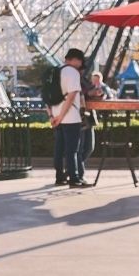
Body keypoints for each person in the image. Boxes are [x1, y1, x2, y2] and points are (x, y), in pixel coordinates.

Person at [51, 48, 92, 188]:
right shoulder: (72, 72)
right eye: (80, 62)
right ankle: (74, 178)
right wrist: (63, 115)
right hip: (70, 117)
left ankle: (59, 177)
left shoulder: (54, 71)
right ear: (75, 59)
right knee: (72, 150)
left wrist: (52, 116)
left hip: (55, 116)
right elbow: (72, 95)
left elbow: (47, 96)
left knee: (58, 148)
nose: (80, 65)